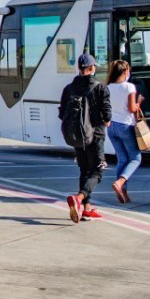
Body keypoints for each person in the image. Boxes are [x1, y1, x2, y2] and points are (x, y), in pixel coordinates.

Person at [59, 54, 112, 222]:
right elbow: (107, 116)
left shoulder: (69, 88)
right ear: (92, 68)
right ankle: (79, 198)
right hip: (95, 135)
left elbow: (62, 114)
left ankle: (87, 208)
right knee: (98, 170)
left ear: (79, 69)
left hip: (77, 136)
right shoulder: (100, 87)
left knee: (84, 169)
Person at [106, 60, 142, 204]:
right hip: (125, 126)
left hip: (111, 127)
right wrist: (139, 102)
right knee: (135, 158)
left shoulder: (108, 87)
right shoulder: (129, 87)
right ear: (125, 71)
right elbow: (132, 108)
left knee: (122, 159)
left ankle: (123, 193)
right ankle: (120, 182)